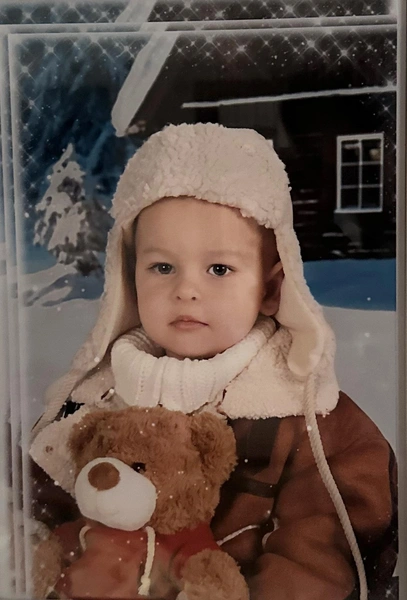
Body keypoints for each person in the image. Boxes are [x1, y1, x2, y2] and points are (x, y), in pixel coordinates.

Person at [30, 123, 397, 600]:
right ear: (129, 280)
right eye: (162, 267)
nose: (186, 289)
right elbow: (40, 509)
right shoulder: (92, 399)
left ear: (270, 289)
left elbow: (317, 556)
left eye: (219, 269)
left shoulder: (309, 421)